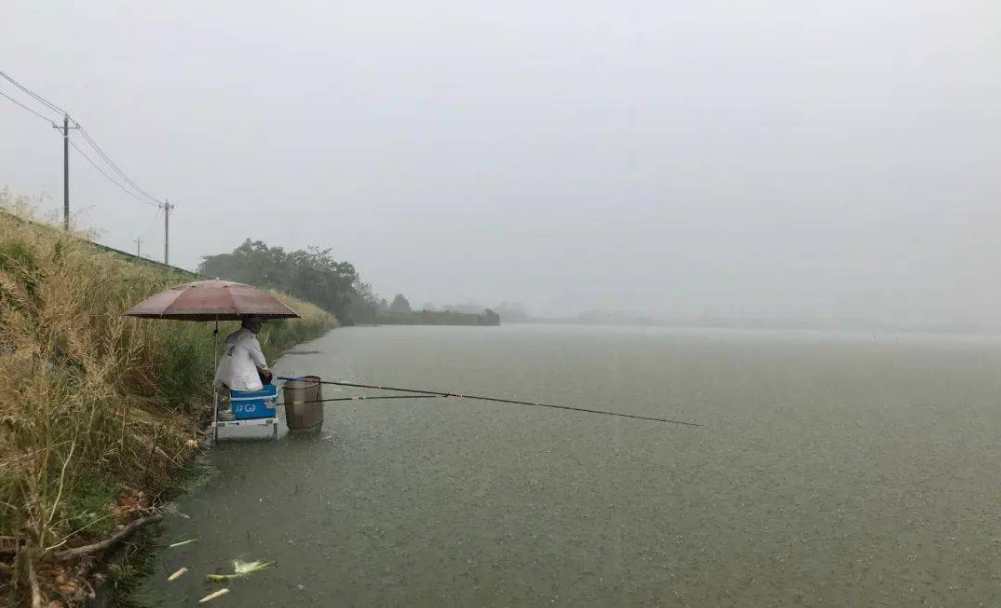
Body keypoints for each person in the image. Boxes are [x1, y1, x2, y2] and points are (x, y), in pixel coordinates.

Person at [214, 315, 273, 393]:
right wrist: (268, 375)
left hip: (225, 377)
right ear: (252, 325)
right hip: (241, 381)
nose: (260, 326)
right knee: (267, 376)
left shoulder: (232, 336)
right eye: (258, 323)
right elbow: (262, 364)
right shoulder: (251, 340)